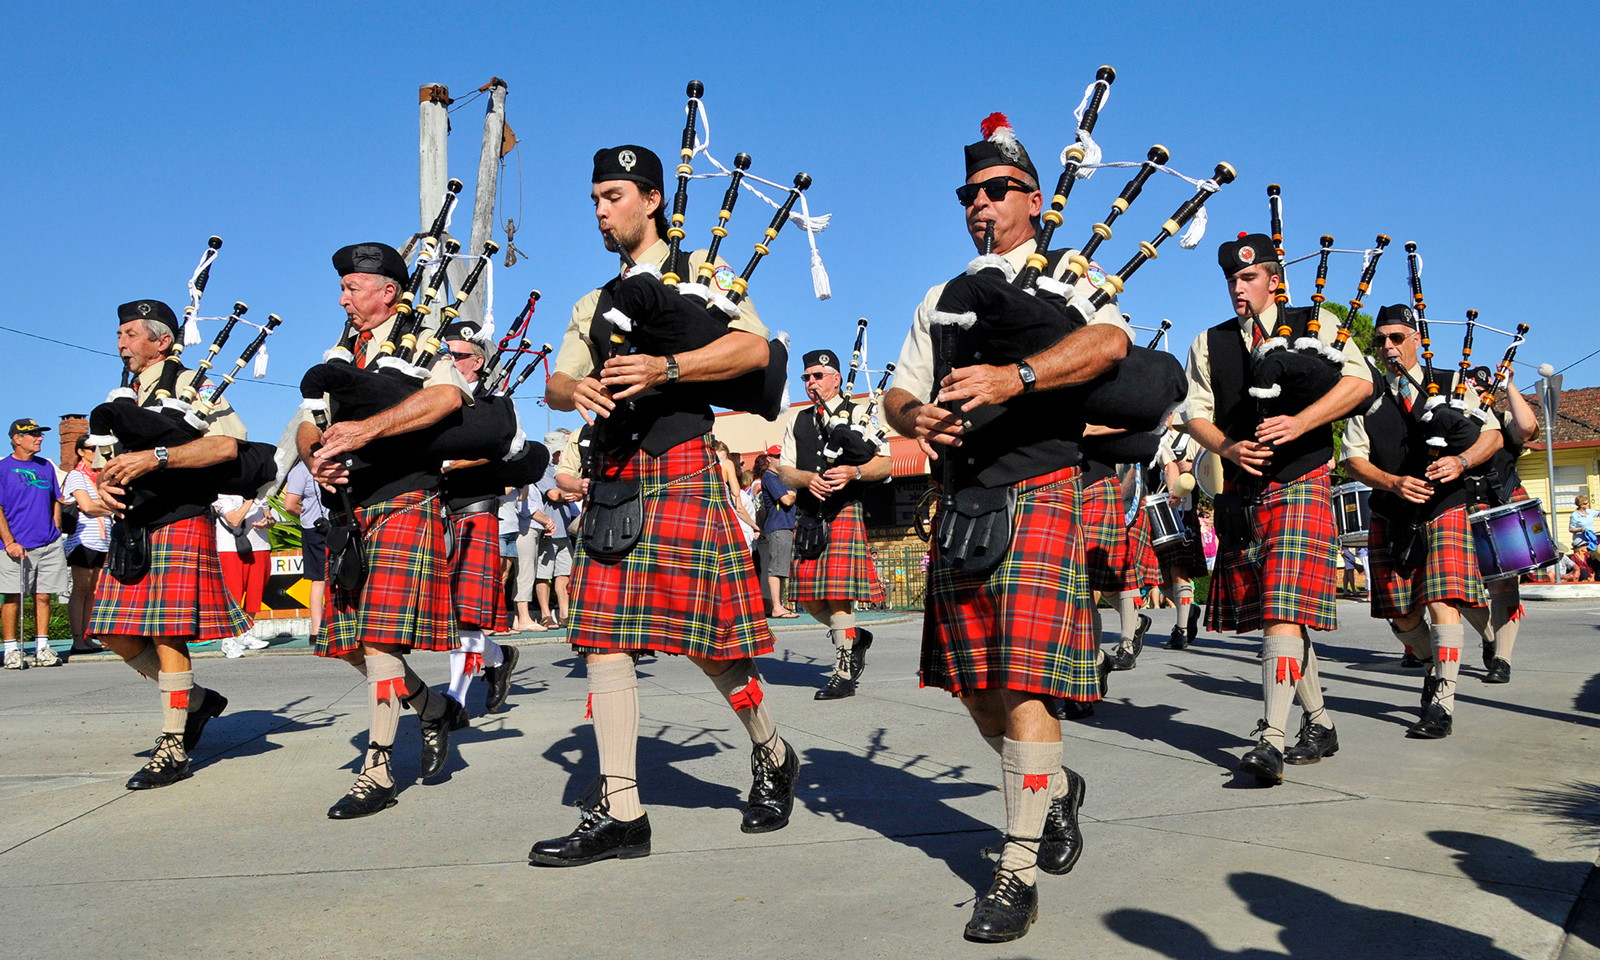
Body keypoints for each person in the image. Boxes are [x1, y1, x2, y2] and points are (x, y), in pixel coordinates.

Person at [881, 113, 1129, 943]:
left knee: (1022, 683)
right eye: (969, 195)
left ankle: (1014, 871)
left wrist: (1014, 377)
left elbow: (1107, 344)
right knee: (980, 689)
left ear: (1031, 198)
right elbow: (898, 391)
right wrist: (921, 420)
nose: (979, 206)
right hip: (963, 499)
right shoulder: (940, 297)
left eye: (995, 191)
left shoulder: (1070, 274)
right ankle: (1054, 791)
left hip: (1041, 487)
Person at [531, 143, 798, 866]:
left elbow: (753, 351)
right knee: (605, 641)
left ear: (652, 200)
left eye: (612, 195)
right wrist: (572, 392)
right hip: (615, 474)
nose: (600, 210)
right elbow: (558, 379)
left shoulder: (702, 278)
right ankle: (623, 811)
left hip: (679, 465)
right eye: (593, 199)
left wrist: (669, 366)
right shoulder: (594, 301)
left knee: (713, 649)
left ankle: (772, 751)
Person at [1180, 233, 1373, 784]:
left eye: (1248, 278)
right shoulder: (1209, 342)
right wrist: (1226, 446)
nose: (1238, 289)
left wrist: (1301, 423)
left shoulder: (1319, 323)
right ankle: (1319, 720)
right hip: (1243, 488)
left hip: (1302, 478)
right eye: (1231, 280)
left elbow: (1360, 383)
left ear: (1273, 278)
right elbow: (1196, 412)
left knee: (1281, 611)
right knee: (1278, 610)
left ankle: (1269, 738)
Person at [296, 243, 474, 818]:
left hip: (405, 499)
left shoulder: (426, 335)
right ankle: (431, 709)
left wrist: (364, 432)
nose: (342, 298)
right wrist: (316, 457)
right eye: (343, 288)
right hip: (350, 509)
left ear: (388, 292)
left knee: (376, 640)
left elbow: (446, 397)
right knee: (349, 643)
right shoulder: (341, 351)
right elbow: (306, 421)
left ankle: (376, 768)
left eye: (351, 287)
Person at [90, 301, 251, 788]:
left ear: (163, 341)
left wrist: (158, 457)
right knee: (112, 631)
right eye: (120, 333)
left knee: (167, 634)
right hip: (131, 526)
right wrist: (102, 486)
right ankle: (197, 700)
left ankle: (173, 744)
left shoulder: (189, 385)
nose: (122, 341)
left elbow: (228, 446)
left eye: (132, 333)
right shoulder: (123, 395)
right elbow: (103, 462)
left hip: (179, 519)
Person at [1340, 304, 1501, 739]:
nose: (1387, 347)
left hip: (1444, 506)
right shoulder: (1363, 394)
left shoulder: (1450, 383)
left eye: (1396, 338)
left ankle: (1442, 703)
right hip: (1393, 510)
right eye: (1380, 341)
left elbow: (1493, 434)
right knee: (1402, 617)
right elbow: (1352, 458)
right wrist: (1391, 482)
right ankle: (1435, 667)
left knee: (1441, 601)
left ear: (1416, 339)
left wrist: (1461, 460)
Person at [776, 348, 891, 699]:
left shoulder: (859, 412)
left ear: (837, 378)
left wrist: (855, 470)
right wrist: (806, 478)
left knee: (838, 596)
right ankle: (854, 635)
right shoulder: (797, 420)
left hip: (843, 511)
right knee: (809, 598)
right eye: (806, 378)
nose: (811, 383)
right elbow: (784, 470)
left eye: (817, 376)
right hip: (809, 514)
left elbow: (885, 464)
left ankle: (843, 675)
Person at [438, 320, 523, 715]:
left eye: (455, 355)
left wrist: (458, 461)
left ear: (477, 361)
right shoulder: (431, 395)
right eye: (445, 354)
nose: (448, 361)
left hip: (475, 511)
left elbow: (514, 450)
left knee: (465, 615)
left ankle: (455, 699)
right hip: (432, 511)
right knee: (447, 612)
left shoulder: (495, 402)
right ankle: (499, 658)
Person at [1461, 369, 1541, 684]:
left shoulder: (1503, 418)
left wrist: (1508, 385)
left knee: (1505, 586)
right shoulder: (1448, 419)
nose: (1479, 393)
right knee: (1458, 589)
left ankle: (1502, 660)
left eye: (1484, 388)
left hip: (1502, 505)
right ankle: (1490, 635)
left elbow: (1528, 427)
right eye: (1473, 387)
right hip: (1460, 508)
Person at [1077, 439, 1156, 672]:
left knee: (1112, 572)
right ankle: (1136, 621)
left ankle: (1125, 645)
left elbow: (1148, 447)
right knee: (1090, 579)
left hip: (1116, 491)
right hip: (1066, 485)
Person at [0, 418, 70, 669]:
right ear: (17, 439)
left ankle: (42, 647)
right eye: (33, 434)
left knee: (44, 596)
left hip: (48, 543)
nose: (39, 438)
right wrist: (9, 542)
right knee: (13, 597)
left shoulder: (45, 466)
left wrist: (56, 527)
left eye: (40, 434)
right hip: (17, 545)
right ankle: (11, 649)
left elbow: (55, 498)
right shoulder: (3, 468)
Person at [1155, 425, 1207, 649]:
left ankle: (1181, 631)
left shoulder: (1191, 437)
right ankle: (1191, 609)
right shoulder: (1153, 433)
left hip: (1182, 512)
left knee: (1178, 572)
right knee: (1160, 578)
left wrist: (1192, 468)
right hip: (1155, 510)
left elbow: (1209, 470)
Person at [62, 436, 111, 656]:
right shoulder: (76, 475)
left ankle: (89, 635)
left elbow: (97, 504)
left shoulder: (100, 477)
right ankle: (77, 638)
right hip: (83, 539)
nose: (96, 453)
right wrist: (109, 508)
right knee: (81, 588)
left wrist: (101, 505)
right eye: (92, 449)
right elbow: (86, 505)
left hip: (104, 539)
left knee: (95, 590)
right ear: (81, 452)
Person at [212, 493, 274, 658]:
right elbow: (234, 520)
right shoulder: (224, 493)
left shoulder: (261, 492)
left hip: (260, 544)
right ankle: (228, 639)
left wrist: (267, 522)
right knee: (233, 593)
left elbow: (270, 519)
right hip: (230, 548)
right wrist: (250, 500)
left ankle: (245, 632)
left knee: (256, 590)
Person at [279, 459, 328, 642]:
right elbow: (289, 504)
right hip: (324, 527)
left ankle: (318, 630)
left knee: (321, 578)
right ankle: (321, 628)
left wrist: (307, 514)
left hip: (324, 527)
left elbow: (290, 505)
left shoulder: (305, 469)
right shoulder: (304, 470)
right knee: (324, 578)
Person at [533, 433, 578, 628]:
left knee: (563, 574)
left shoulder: (562, 471)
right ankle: (545, 614)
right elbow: (553, 494)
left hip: (564, 530)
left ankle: (564, 613)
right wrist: (574, 492)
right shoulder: (543, 471)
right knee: (544, 574)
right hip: (548, 531)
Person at [755, 445, 799, 618]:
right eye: (777, 455)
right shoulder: (770, 477)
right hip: (778, 526)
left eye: (782, 455)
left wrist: (791, 492)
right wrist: (792, 493)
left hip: (784, 526)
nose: (781, 458)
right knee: (776, 569)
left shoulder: (780, 477)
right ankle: (776, 607)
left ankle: (778, 606)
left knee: (781, 568)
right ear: (769, 458)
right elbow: (787, 500)